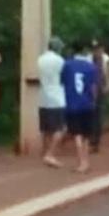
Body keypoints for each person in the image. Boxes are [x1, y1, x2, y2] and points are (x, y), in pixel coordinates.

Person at [61, 40, 99, 173]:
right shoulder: (91, 66)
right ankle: (86, 161)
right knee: (86, 135)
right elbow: (94, 87)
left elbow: (63, 82)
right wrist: (94, 100)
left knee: (77, 134)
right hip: (87, 103)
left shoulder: (67, 65)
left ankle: (81, 162)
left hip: (72, 103)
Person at [38, 36, 67, 168]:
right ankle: (50, 154)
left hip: (43, 96)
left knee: (46, 129)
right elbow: (64, 76)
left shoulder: (40, 59)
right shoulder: (60, 60)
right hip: (57, 97)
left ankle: (46, 152)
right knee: (60, 128)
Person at [89, 40, 109, 154]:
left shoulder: (108, 61)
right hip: (88, 91)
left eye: (98, 49)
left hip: (100, 91)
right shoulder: (88, 60)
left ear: (102, 49)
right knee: (89, 116)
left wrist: (107, 89)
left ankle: (95, 142)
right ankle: (90, 139)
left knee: (98, 117)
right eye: (94, 49)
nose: (96, 52)